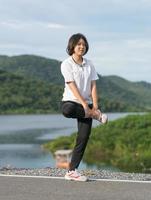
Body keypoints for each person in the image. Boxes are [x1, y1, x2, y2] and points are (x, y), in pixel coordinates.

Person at [60, 33, 108, 181]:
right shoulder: (66, 64)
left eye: (84, 44)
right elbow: (72, 85)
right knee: (67, 110)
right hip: (72, 102)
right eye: (79, 44)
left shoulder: (90, 64)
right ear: (72, 46)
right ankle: (95, 116)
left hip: (89, 105)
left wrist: (95, 106)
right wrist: (86, 107)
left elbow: (93, 85)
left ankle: (71, 171)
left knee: (83, 137)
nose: (82, 46)